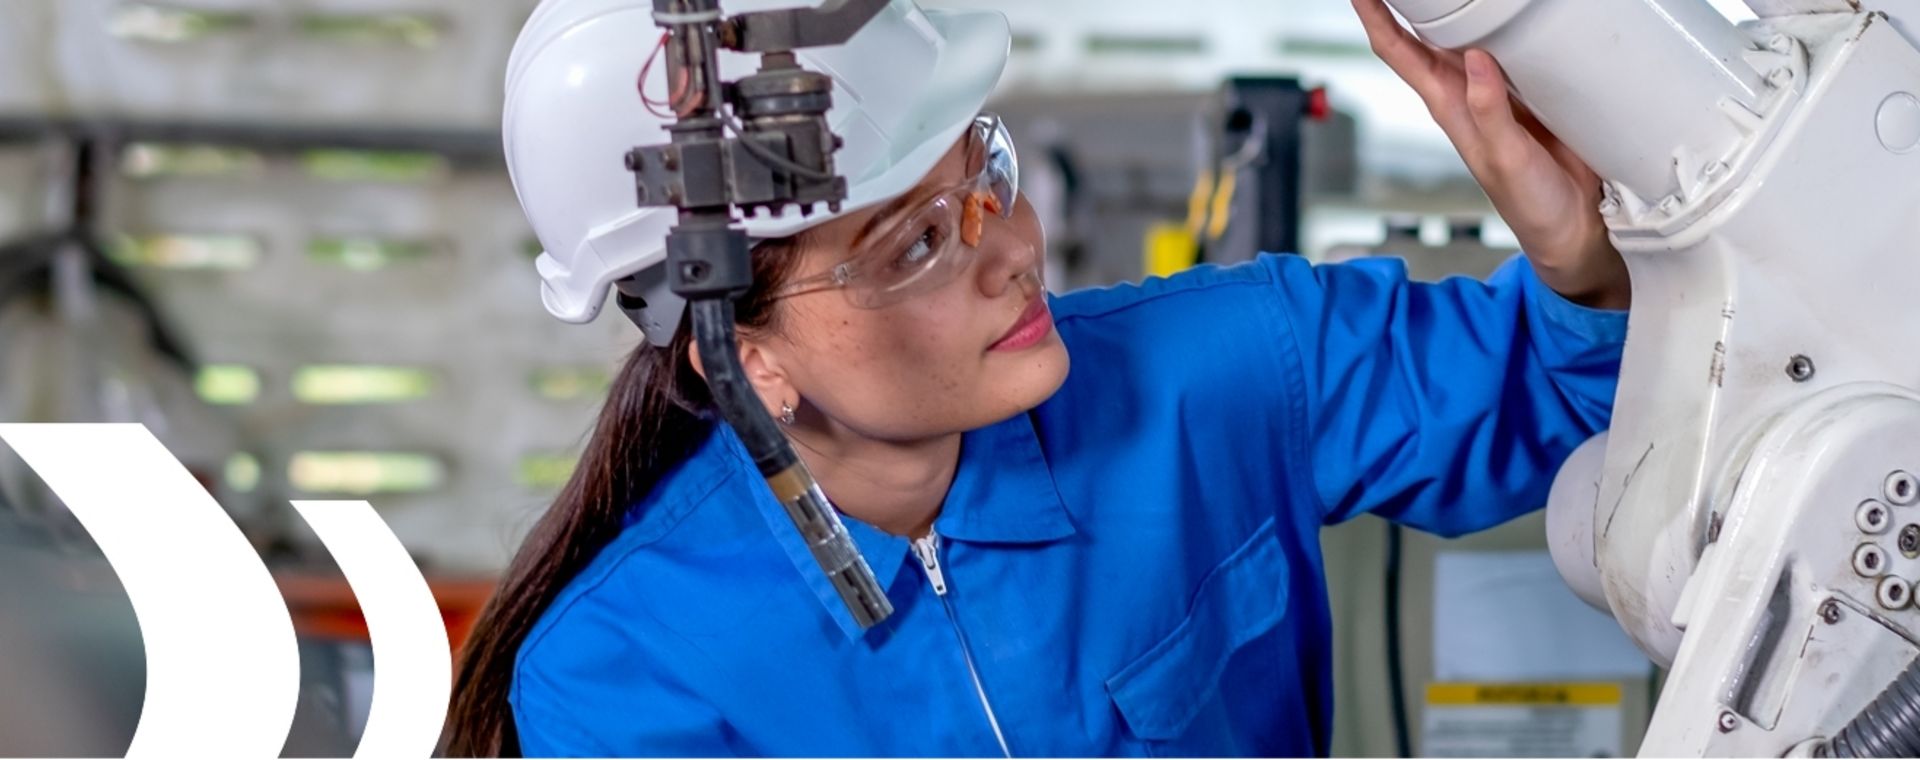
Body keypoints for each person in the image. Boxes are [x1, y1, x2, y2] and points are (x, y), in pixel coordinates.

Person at [447, 0, 1632, 755]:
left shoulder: (1218, 372)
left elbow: (1573, 397)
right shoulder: (627, 680)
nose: (1013, 247)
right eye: (914, 244)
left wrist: (1587, 268)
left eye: (987, 173)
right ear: (745, 360)